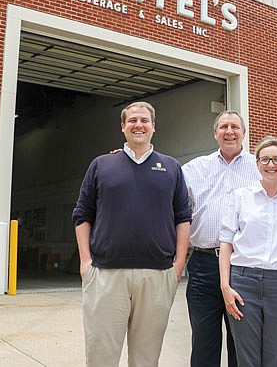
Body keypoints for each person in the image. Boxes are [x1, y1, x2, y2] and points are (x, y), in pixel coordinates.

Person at [72, 101, 192, 367]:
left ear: (153, 127)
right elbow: (82, 214)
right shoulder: (102, 164)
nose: (139, 125)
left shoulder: (171, 167)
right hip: (105, 274)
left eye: (144, 120)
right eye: (133, 120)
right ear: (123, 126)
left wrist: (178, 265)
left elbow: (183, 217)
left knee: (146, 358)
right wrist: (85, 262)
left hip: (157, 276)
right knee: (101, 355)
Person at [181, 110, 260, 367]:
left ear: (244, 133)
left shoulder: (259, 167)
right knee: (204, 342)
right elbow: (160, 186)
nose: (229, 131)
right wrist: (129, 159)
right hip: (204, 265)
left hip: (242, 266)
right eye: (223, 126)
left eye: (235, 126)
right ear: (215, 133)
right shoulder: (195, 168)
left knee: (241, 341)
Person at [219, 136, 277, 367]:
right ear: (257, 163)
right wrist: (225, 286)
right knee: (247, 358)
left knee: (274, 357)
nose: (271, 164)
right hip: (243, 282)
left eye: (276, 159)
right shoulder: (240, 197)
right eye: (265, 159)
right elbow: (226, 242)